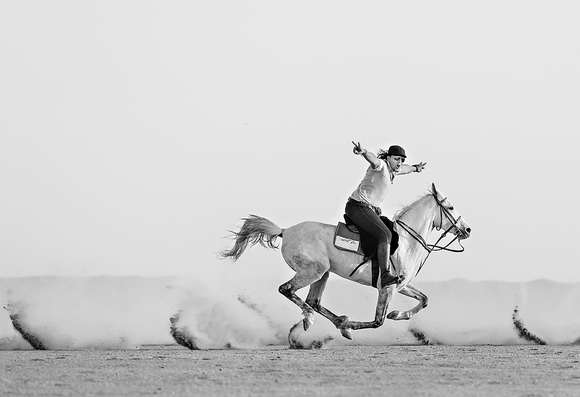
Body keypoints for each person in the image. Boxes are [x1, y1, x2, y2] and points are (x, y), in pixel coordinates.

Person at [346, 141, 426, 288]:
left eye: (402, 160)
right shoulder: (381, 166)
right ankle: (384, 275)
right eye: (397, 159)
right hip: (357, 207)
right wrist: (363, 152)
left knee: (390, 232)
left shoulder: (394, 171)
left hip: (369, 209)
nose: (400, 162)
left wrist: (416, 168)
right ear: (388, 158)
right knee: (385, 235)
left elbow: (406, 169)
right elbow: (373, 159)